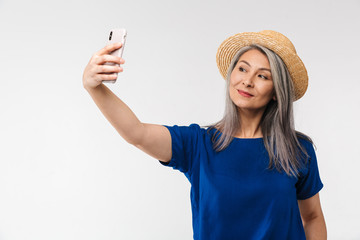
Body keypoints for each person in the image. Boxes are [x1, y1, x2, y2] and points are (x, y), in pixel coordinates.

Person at [82, 30, 326, 240]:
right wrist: (94, 87)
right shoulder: (198, 144)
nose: (247, 81)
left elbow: (313, 216)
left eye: (262, 76)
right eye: (242, 69)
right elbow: (137, 133)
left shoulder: (299, 149)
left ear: (276, 92)